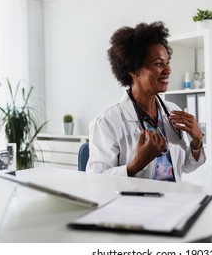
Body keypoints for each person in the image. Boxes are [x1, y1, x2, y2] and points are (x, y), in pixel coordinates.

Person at [86, 21, 205, 181]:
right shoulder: (106, 122)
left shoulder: (172, 111)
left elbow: (184, 167)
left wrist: (197, 142)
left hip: (173, 199)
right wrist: (137, 164)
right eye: (158, 64)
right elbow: (95, 181)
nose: (168, 70)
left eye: (167, 63)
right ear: (133, 69)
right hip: (134, 203)